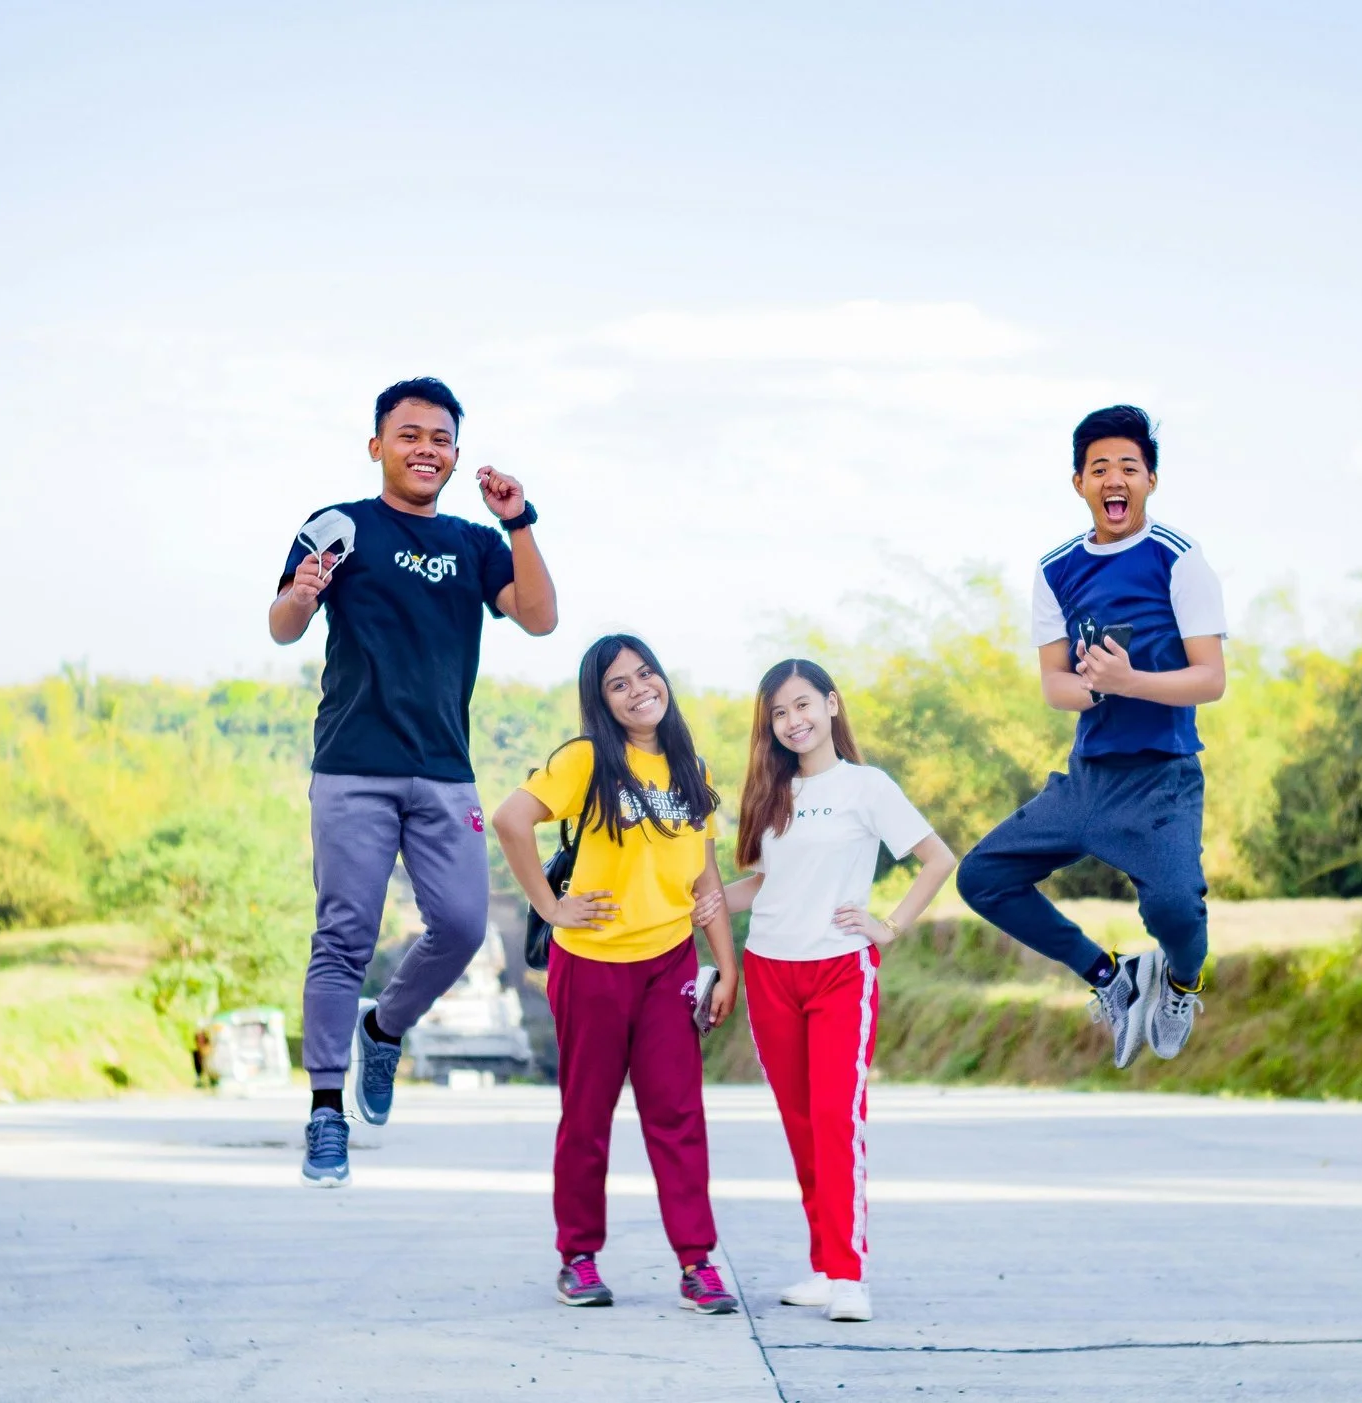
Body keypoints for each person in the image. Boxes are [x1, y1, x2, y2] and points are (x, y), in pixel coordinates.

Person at [269, 376, 558, 1187]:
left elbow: (540, 617)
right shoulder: (340, 525)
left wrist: (519, 521)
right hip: (352, 768)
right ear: (377, 447)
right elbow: (284, 625)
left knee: (463, 926)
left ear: (456, 454)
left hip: (443, 771)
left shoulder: (474, 542)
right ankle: (326, 1112)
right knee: (343, 937)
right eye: (409, 435)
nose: (425, 448)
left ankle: (385, 1028)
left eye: (440, 438)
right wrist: (301, 594)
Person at [955, 404, 1227, 1068]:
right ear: (1078, 483)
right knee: (981, 877)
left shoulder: (1179, 559)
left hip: (1163, 778)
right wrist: (1100, 688)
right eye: (1099, 468)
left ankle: (1179, 985)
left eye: (1129, 467)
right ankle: (1112, 976)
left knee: (1176, 912)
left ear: (1150, 480)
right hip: (1088, 781)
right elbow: (1056, 685)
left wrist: (1131, 680)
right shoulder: (1056, 569)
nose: (1114, 479)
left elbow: (1210, 678)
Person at [489, 635, 742, 1317]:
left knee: (678, 1116)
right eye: (618, 684)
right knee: (587, 1117)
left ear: (663, 679)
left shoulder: (691, 768)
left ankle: (697, 1264)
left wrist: (727, 966)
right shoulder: (586, 759)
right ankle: (578, 1258)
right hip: (591, 966)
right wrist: (550, 907)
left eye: (645, 674)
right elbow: (511, 819)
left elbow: (706, 880)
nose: (638, 690)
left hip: (669, 964)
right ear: (600, 701)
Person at [707, 659, 955, 1325]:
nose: (793, 721)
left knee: (836, 1120)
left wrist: (889, 926)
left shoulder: (866, 786)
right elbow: (767, 883)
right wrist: (699, 902)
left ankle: (849, 1275)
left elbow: (938, 859)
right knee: (801, 1124)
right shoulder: (771, 791)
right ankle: (824, 1264)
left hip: (840, 971)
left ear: (831, 704)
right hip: (769, 970)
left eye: (802, 705)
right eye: (778, 713)